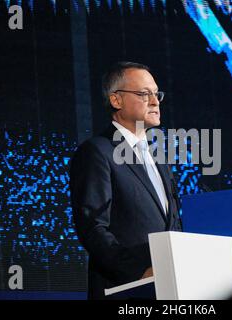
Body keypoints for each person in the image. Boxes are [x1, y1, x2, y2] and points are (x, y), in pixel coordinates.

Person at [69, 62, 182, 299]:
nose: (155, 101)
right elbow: (93, 227)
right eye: (144, 94)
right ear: (116, 101)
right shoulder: (97, 151)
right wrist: (138, 273)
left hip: (169, 290)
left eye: (156, 93)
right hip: (124, 291)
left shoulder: (159, 160)